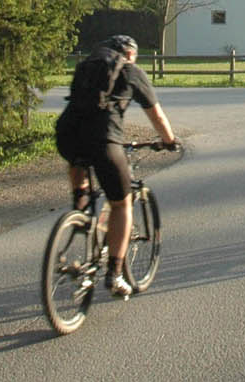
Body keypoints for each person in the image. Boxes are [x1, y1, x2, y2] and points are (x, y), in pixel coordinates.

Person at [55, 34, 178, 298]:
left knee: (77, 157)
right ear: (131, 53)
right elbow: (156, 115)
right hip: (104, 141)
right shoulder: (131, 71)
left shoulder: (87, 67)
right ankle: (115, 274)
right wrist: (169, 141)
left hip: (66, 134)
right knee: (122, 204)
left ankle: (80, 207)